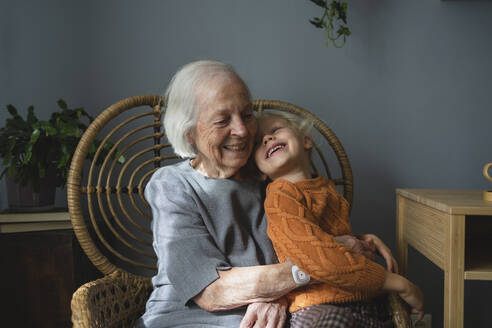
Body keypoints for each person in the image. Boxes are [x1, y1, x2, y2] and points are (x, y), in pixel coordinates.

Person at [135, 59, 413, 328]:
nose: (242, 130)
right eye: (222, 121)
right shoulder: (173, 185)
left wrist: (359, 241)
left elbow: (312, 238)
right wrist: (296, 278)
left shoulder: (275, 178)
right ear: (189, 135)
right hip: (187, 320)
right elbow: (211, 291)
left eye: (246, 114)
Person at [253, 111, 424, 327]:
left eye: (275, 130)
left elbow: (329, 237)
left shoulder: (325, 187)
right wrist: (398, 283)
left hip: (357, 296)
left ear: (306, 140)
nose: (267, 139)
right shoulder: (280, 196)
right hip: (316, 305)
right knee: (336, 322)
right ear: (259, 171)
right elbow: (316, 254)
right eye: (258, 142)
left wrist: (362, 239)